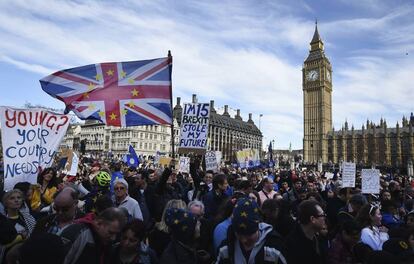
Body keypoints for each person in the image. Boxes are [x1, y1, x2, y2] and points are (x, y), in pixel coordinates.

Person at [216, 197, 287, 264]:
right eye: (239, 234)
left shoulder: (274, 247)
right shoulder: (226, 248)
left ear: (257, 227)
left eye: (249, 234)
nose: (244, 240)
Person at [61, 207, 127, 264]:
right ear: (98, 223)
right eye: (110, 232)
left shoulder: (108, 243)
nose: (113, 238)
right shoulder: (77, 233)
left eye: (117, 234)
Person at [285, 200, 328, 264]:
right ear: (312, 219)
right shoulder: (292, 245)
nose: (325, 217)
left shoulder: (317, 237)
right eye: (322, 215)